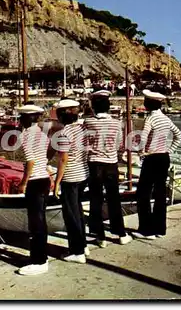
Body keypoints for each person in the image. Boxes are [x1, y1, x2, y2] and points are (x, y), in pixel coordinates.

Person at [132, 89, 181, 240]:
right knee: (160, 193)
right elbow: (179, 135)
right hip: (164, 157)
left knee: (143, 193)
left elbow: (143, 138)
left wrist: (141, 151)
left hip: (152, 158)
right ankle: (160, 229)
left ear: (148, 104)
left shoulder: (150, 119)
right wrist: (169, 150)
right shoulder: (166, 119)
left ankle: (146, 230)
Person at [84, 90, 132, 248]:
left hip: (94, 163)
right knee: (114, 199)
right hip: (111, 164)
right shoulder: (117, 123)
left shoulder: (88, 122)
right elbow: (119, 144)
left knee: (95, 199)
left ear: (94, 107)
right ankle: (121, 233)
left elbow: (85, 144)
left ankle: (100, 236)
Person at [50, 99, 89, 264]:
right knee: (78, 211)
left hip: (71, 177)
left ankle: (77, 251)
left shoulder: (64, 134)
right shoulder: (82, 129)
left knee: (71, 215)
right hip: (84, 174)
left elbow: (63, 160)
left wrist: (57, 181)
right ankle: (83, 244)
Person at [16, 103, 51, 276]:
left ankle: (40, 261)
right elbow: (45, 155)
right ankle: (37, 256)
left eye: (22, 117)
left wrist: (23, 182)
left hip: (35, 181)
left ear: (28, 118)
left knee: (35, 223)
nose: (20, 120)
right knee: (40, 220)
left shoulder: (25, 136)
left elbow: (30, 162)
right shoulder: (42, 134)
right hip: (44, 179)